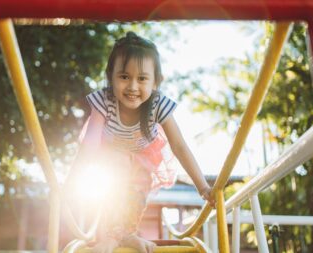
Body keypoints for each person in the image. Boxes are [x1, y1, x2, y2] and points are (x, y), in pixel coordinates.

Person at [66, 31, 215, 253]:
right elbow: (89, 146)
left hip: (143, 155)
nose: (133, 86)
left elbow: (179, 146)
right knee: (114, 180)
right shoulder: (103, 100)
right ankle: (112, 237)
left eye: (142, 78)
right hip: (108, 153)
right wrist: (72, 181)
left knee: (136, 190)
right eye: (124, 76)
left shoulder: (158, 104)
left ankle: (125, 235)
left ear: (156, 82)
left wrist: (203, 187)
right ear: (111, 76)